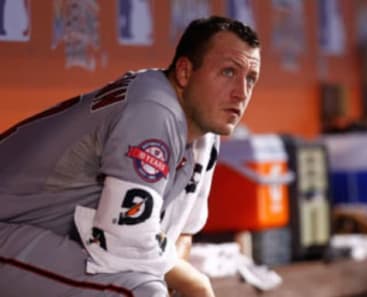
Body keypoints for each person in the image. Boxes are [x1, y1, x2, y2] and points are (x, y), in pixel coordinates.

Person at [0, 15, 261, 297]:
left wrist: (177, 282)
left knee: (150, 280)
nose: (241, 93)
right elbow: (127, 241)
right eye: (228, 72)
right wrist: (194, 284)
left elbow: (180, 233)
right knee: (139, 290)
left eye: (251, 78)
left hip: (36, 237)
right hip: (9, 226)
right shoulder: (155, 109)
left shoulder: (204, 131)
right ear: (185, 72)